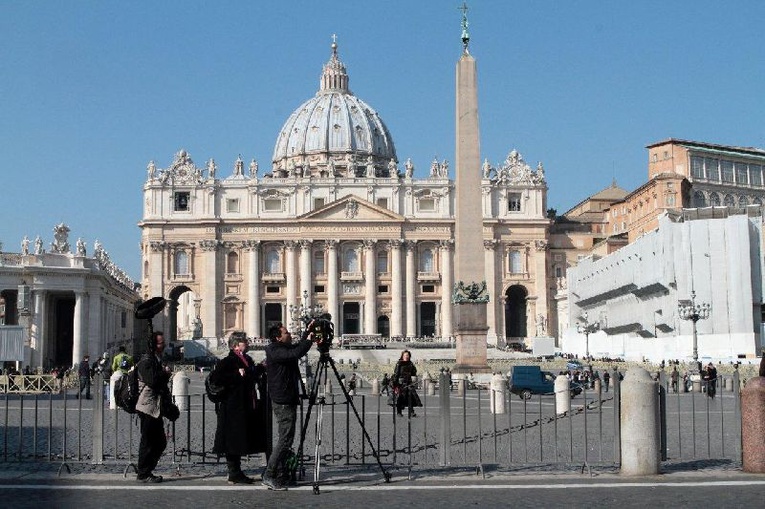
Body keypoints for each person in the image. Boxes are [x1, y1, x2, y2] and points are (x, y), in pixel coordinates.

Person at [263, 322, 315, 491]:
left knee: (288, 438)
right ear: (278, 337)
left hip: (287, 398)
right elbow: (296, 352)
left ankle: (282, 472)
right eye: (286, 332)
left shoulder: (280, 348)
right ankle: (269, 474)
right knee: (285, 439)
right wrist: (308, 341)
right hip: (283, 400)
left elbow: (296, 348)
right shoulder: (275, 350)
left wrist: (308, 332)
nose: (289, 334)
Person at [210, 335, 268, 484]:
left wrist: (261, 367)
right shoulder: (228, 361)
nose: (248, 344)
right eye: (245, 342)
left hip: (244, 405)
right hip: (232, 406)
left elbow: (251, 375)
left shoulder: (246, 359)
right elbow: (217, 379)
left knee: (239, 439)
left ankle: (236, 471)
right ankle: (234, 472)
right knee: (232, 440)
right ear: (236, 345)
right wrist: (236, 375)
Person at [135, 331, 172, 483]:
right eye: (159, 343)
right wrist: (165, 373)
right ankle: (143, 473)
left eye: (163, 342)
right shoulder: (146, 360)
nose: (162, 345)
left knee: (160, 441)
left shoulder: (156, 358)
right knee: (148, 441)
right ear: (152, 345)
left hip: (154, 406)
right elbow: (152, 380)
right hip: (147, 406)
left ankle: (146, 469)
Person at [392, 350, 422, 418]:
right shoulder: (399, 363)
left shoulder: (410, 363)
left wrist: (414, 369)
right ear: (402, 356)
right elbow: (396, 373)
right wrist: (395, 384)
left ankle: (411, 411)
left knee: (410, 397)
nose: (406, 357)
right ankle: (399, 412)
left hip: (409, 382)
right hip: (401, 383)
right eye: (405, 355)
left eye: (407, 355)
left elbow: (413, 373)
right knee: (400, 398)